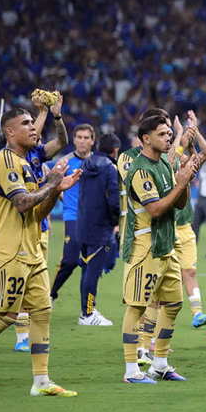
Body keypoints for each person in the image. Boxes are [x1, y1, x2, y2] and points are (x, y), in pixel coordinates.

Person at [0, 108, 81, 397]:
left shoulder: (26, 163)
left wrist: (56, 191)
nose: (34, 127)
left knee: (43, 311)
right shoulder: (5, 161)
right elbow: (21, 203)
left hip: (32, 250)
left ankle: (41, 382)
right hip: (10, 252)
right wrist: (51, 184)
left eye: (33, 122)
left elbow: (37, 211)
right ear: (10, 132)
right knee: (6, 315)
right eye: (26, 123)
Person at [120, 115, 200, 384]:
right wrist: (179, 183)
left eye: (169, 133)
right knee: (137, 307)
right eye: (163, 134)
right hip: (146, 247)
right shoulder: (141, 170)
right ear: (146, 138)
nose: (169, 138)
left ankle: (160, 365)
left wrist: (185, 180)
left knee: (174, 304)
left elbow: (177, 205)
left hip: (166, 247)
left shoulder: (165, 165)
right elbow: (154, 210)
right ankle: (132, 371)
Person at [14, 92, 68, 351]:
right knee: (22, 283)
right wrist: (43, 111)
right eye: (28, 126)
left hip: (41, 225)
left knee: (38, 286)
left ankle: (33, 338)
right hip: (19, 227)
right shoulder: (13, 158)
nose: (34, 131)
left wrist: (54, 114)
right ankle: (22, 336)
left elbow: (62, 140)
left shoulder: (37, 153)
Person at [171, 111, 206, 329]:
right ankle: (147, 335)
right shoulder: (163, 165)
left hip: (185, 229)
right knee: (165, 284)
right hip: (166, 229)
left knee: (190, 271)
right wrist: (181, 135)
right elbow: (172, 158)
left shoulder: (186, 165)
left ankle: (197, 313)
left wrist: (194, 131)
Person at [76, 133, 121, 326]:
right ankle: (87, 314)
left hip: (84, 223)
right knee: (93, 271)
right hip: (101, 227)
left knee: (86, 270)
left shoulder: (84, 165)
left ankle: (87, 310)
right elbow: (113, 200)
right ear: (115, 150)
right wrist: (114, 222)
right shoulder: (110, 169)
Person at [50, 124, 95, 304]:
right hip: (73, 216)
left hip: (93, 219)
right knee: (70, 260)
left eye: (86, 138)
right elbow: (50, 186)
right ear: (74, 139)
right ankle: (50, 294)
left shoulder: (98, 162)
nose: (83, 141)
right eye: (79, 137)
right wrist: (65, 199)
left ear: (93, 141)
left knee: (91, 263)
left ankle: (88, 310)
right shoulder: (65, 162)